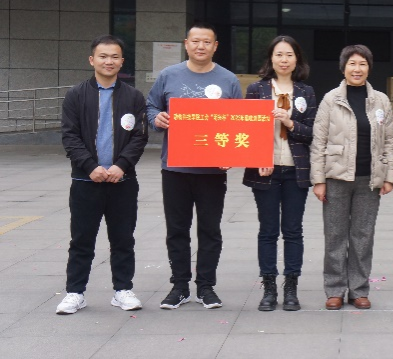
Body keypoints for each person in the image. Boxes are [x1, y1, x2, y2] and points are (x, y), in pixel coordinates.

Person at [146, 23, 242, 310]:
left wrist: (232, 154)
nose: (201, 46)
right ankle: (179, 286)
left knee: (210, 230)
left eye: (207, 42)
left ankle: (206, 286)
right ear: (186, 44)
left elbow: (239, 121)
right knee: (177, 229)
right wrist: (156, 119)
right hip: (175, 168)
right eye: (196, 41)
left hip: (212, 171)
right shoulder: (168, 75)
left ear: (215, 46)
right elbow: (150, 107)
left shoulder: (228, 80)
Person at [57, 35, 149, 315]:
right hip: (86, 180)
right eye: (103, 56)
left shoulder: (133, 96)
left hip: (122, 181)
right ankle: (75, 292)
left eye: (115, 57)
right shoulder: (76, 95)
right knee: (81, 239)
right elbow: (70, 136)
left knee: (123, 239)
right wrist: (89, 166)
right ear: (92, 60)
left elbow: (139, 137)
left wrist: (121, 165)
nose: (109, 61)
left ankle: (123, 290)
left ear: (122, 61)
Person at [310, 44, 393, 311]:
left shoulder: (380, 100)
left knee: (363, 236)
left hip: (369, 179)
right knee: (335, 235)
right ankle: (335, 289)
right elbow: (318, 141)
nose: (357, 69)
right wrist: (318, 180)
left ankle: (359, 290)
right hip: (336, 177)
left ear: (369, 68)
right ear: (343, 67)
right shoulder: (331, 99)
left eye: (362, 64)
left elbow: (390, 140)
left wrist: (390, 175)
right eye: (352, 64)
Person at [242, 36, 317, 312]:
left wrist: (290, 122)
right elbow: (247, 131)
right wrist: (259, 158)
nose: (284, 60)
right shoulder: (257, 89)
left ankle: (291, 287)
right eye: (279, 55)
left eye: (289, 55)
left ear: (297, 59)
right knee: (268, 230)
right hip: (266, 170)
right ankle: (269, 287)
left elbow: (313, 132)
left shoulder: (306, 91)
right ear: (271, 59)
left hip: (296, 170)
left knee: (293, 230)